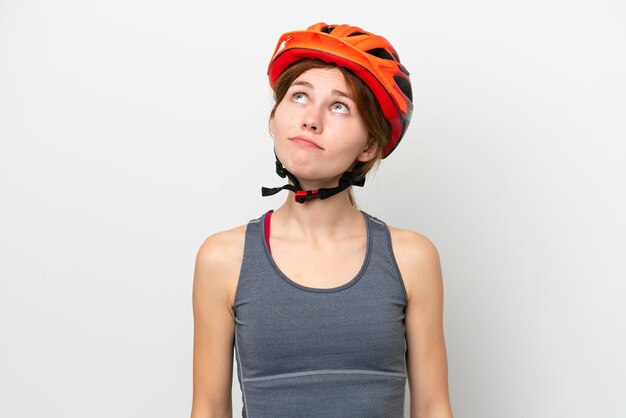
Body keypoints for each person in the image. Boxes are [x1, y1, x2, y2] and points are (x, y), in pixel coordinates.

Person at [191, 22, 454, 418]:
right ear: (274, 119)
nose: (311, 119)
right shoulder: (223, 258)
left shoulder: (411, 258)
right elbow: (208, 409)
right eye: (299, 97)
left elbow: (434, 407)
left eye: (339, 106)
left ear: (369, 146)